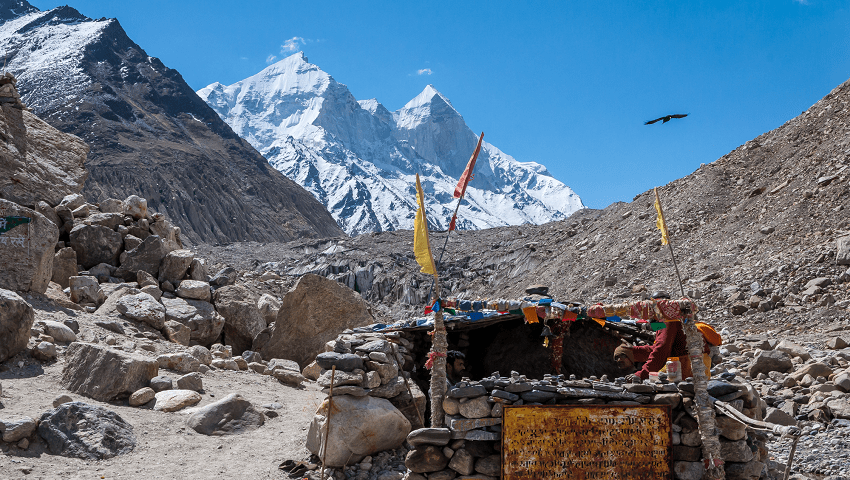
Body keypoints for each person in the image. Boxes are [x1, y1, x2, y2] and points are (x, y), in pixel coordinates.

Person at [618, 320, 711, 383]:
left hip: (689, 366)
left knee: (656, 381)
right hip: (695, 364)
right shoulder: (671, 321)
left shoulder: (668, 322)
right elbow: (659, 348)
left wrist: (641, 374)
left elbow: (661, 351)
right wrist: (634, 351)